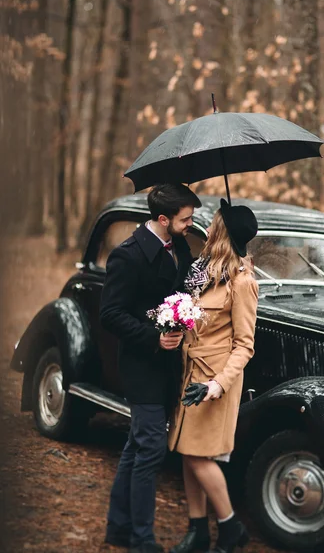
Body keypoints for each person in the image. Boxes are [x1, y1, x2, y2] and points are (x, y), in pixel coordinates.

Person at [100, 183, 202, 553]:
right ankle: (140, 539)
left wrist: (233, 262)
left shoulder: (181, 246)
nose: (191, 224)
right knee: (151, 449)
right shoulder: (127, 256)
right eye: (185, 219)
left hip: (169, 366)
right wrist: (153, 337)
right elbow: (110, 313)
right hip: (140, 363)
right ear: (163, 219)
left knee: (136, 447)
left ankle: (118, 527)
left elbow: (191, 282)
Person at [168, 198, 259, 553]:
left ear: (222, 231)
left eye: (217, 221)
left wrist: (216, 385)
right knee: (188, 451)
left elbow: (244, 345)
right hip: (191, 372)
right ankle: (197, 531)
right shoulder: (205, 270)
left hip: (215, 382)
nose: (210, 224)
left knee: (196, 455)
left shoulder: (242, 280)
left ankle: (230, 526)